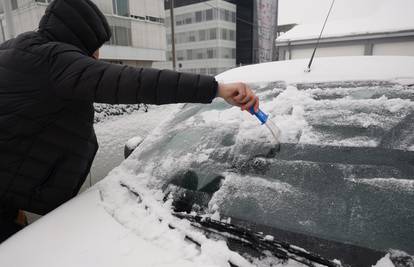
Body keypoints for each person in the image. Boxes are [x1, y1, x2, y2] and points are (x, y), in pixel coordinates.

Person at [0, 0, 259, 242]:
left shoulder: (14, 50)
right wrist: (215, 89)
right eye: (94, 48)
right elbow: (136, 82)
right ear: (79, 39)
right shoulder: (55, 61)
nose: (97, 57)